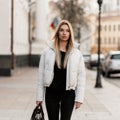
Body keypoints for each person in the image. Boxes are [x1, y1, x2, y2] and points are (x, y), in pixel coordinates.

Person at [36, 20, 86, 120]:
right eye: (62, 30)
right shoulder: (47, 52)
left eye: (67, 31)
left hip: (68, 93)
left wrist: (79, 98)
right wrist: (39, 97)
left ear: (70, 34)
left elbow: (81, 77)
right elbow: (40, 75)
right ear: (57, 32)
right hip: (51, 93)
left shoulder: (76, 53)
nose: (64, 33)